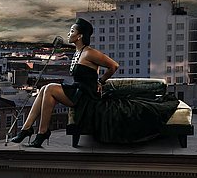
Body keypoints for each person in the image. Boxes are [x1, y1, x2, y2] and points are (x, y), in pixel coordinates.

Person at [10, 18, 179, 147]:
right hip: (78, 92)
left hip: (87, 97)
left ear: (80, 35)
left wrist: (101, 81)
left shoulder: (90, 53)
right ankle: (31, 129)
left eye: (71, 31)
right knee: (45, 88)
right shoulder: (77, 53)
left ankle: (38, 131)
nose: (68, 34)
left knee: (50, 89)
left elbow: (114, 66)